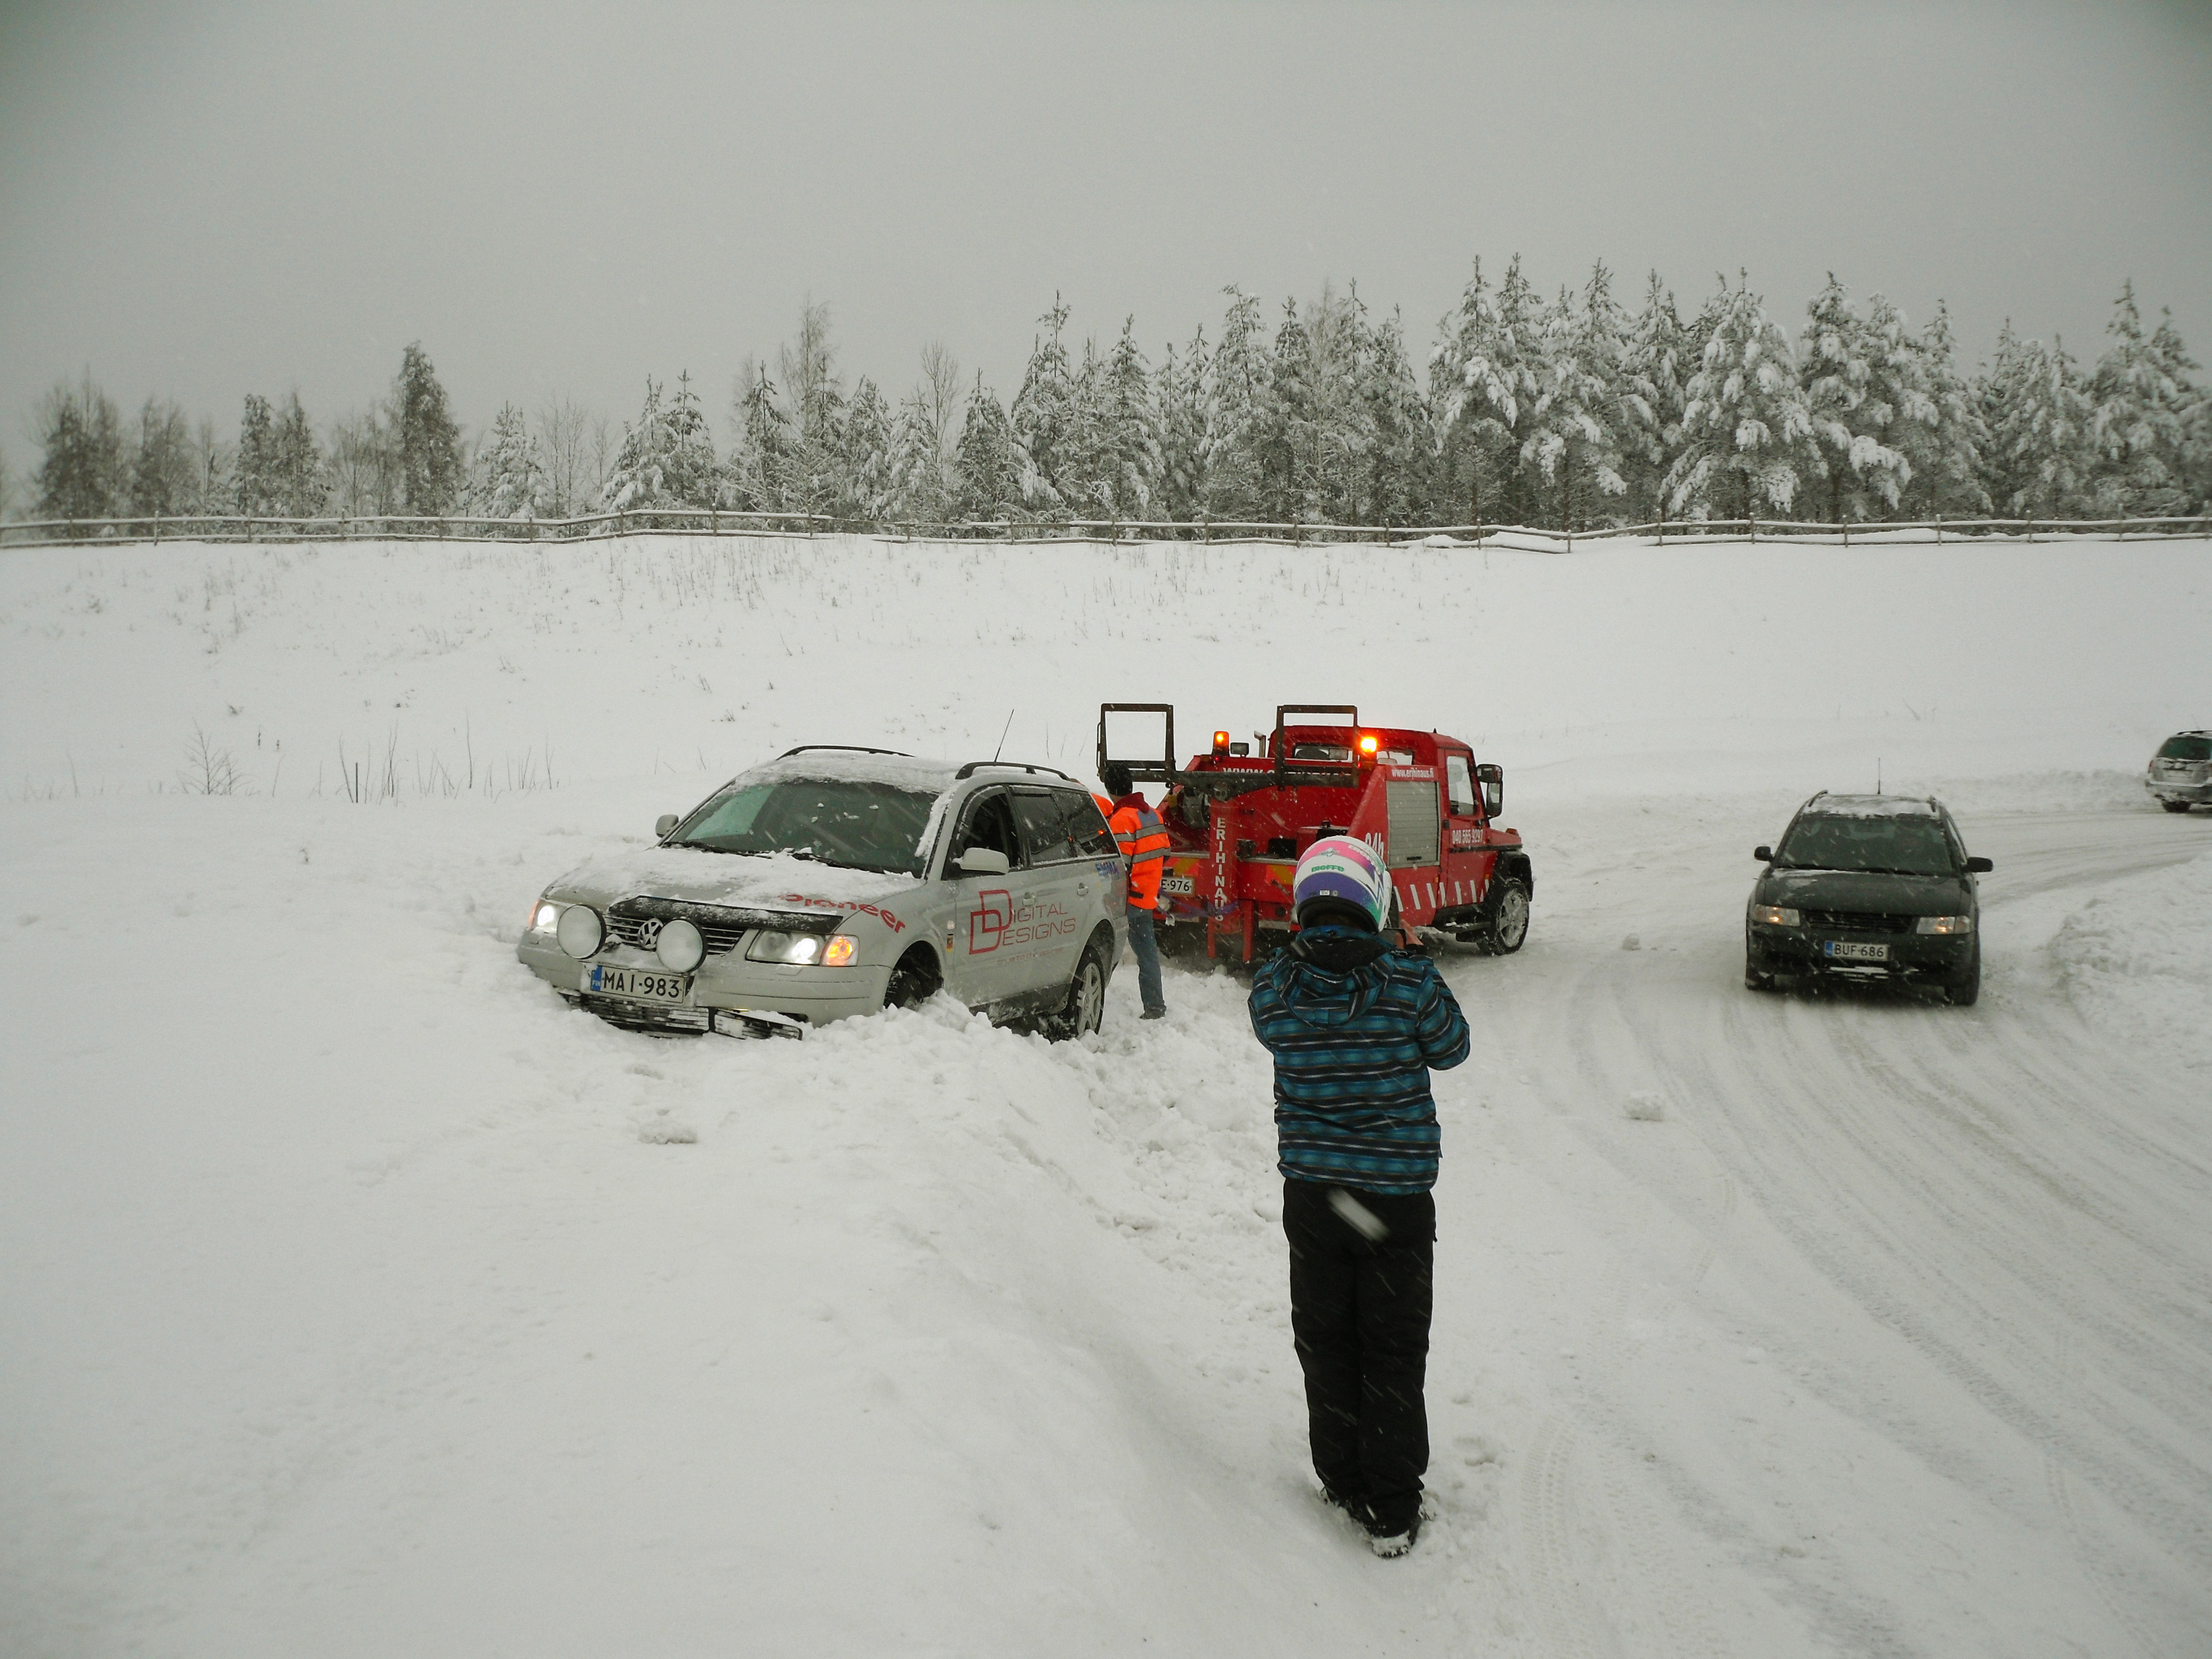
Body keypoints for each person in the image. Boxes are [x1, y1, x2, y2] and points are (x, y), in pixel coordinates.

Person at [1247, 836, 1470, 1558]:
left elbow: (1273, 1023)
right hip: (1396, 1204)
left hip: (1315, 1198)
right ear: (1376, 902)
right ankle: (1393, 1512)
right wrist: (1404, 958)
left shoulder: (1275, 990)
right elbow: (1452, 1047)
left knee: (1327, 1339)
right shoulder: (1408, 982)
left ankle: (1342, 1479)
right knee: (1394, 1349)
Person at [1099, 763, 1170, 1020]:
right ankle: (1155, 1007)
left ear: (1109, 789)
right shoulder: (1153, 815)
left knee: (1103, 953)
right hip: (1146, 898)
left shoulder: (1121, 820)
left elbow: (1117, 868)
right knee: (1148, 956)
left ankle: (1092, 999)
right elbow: (1165, 855)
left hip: (1126, 901)